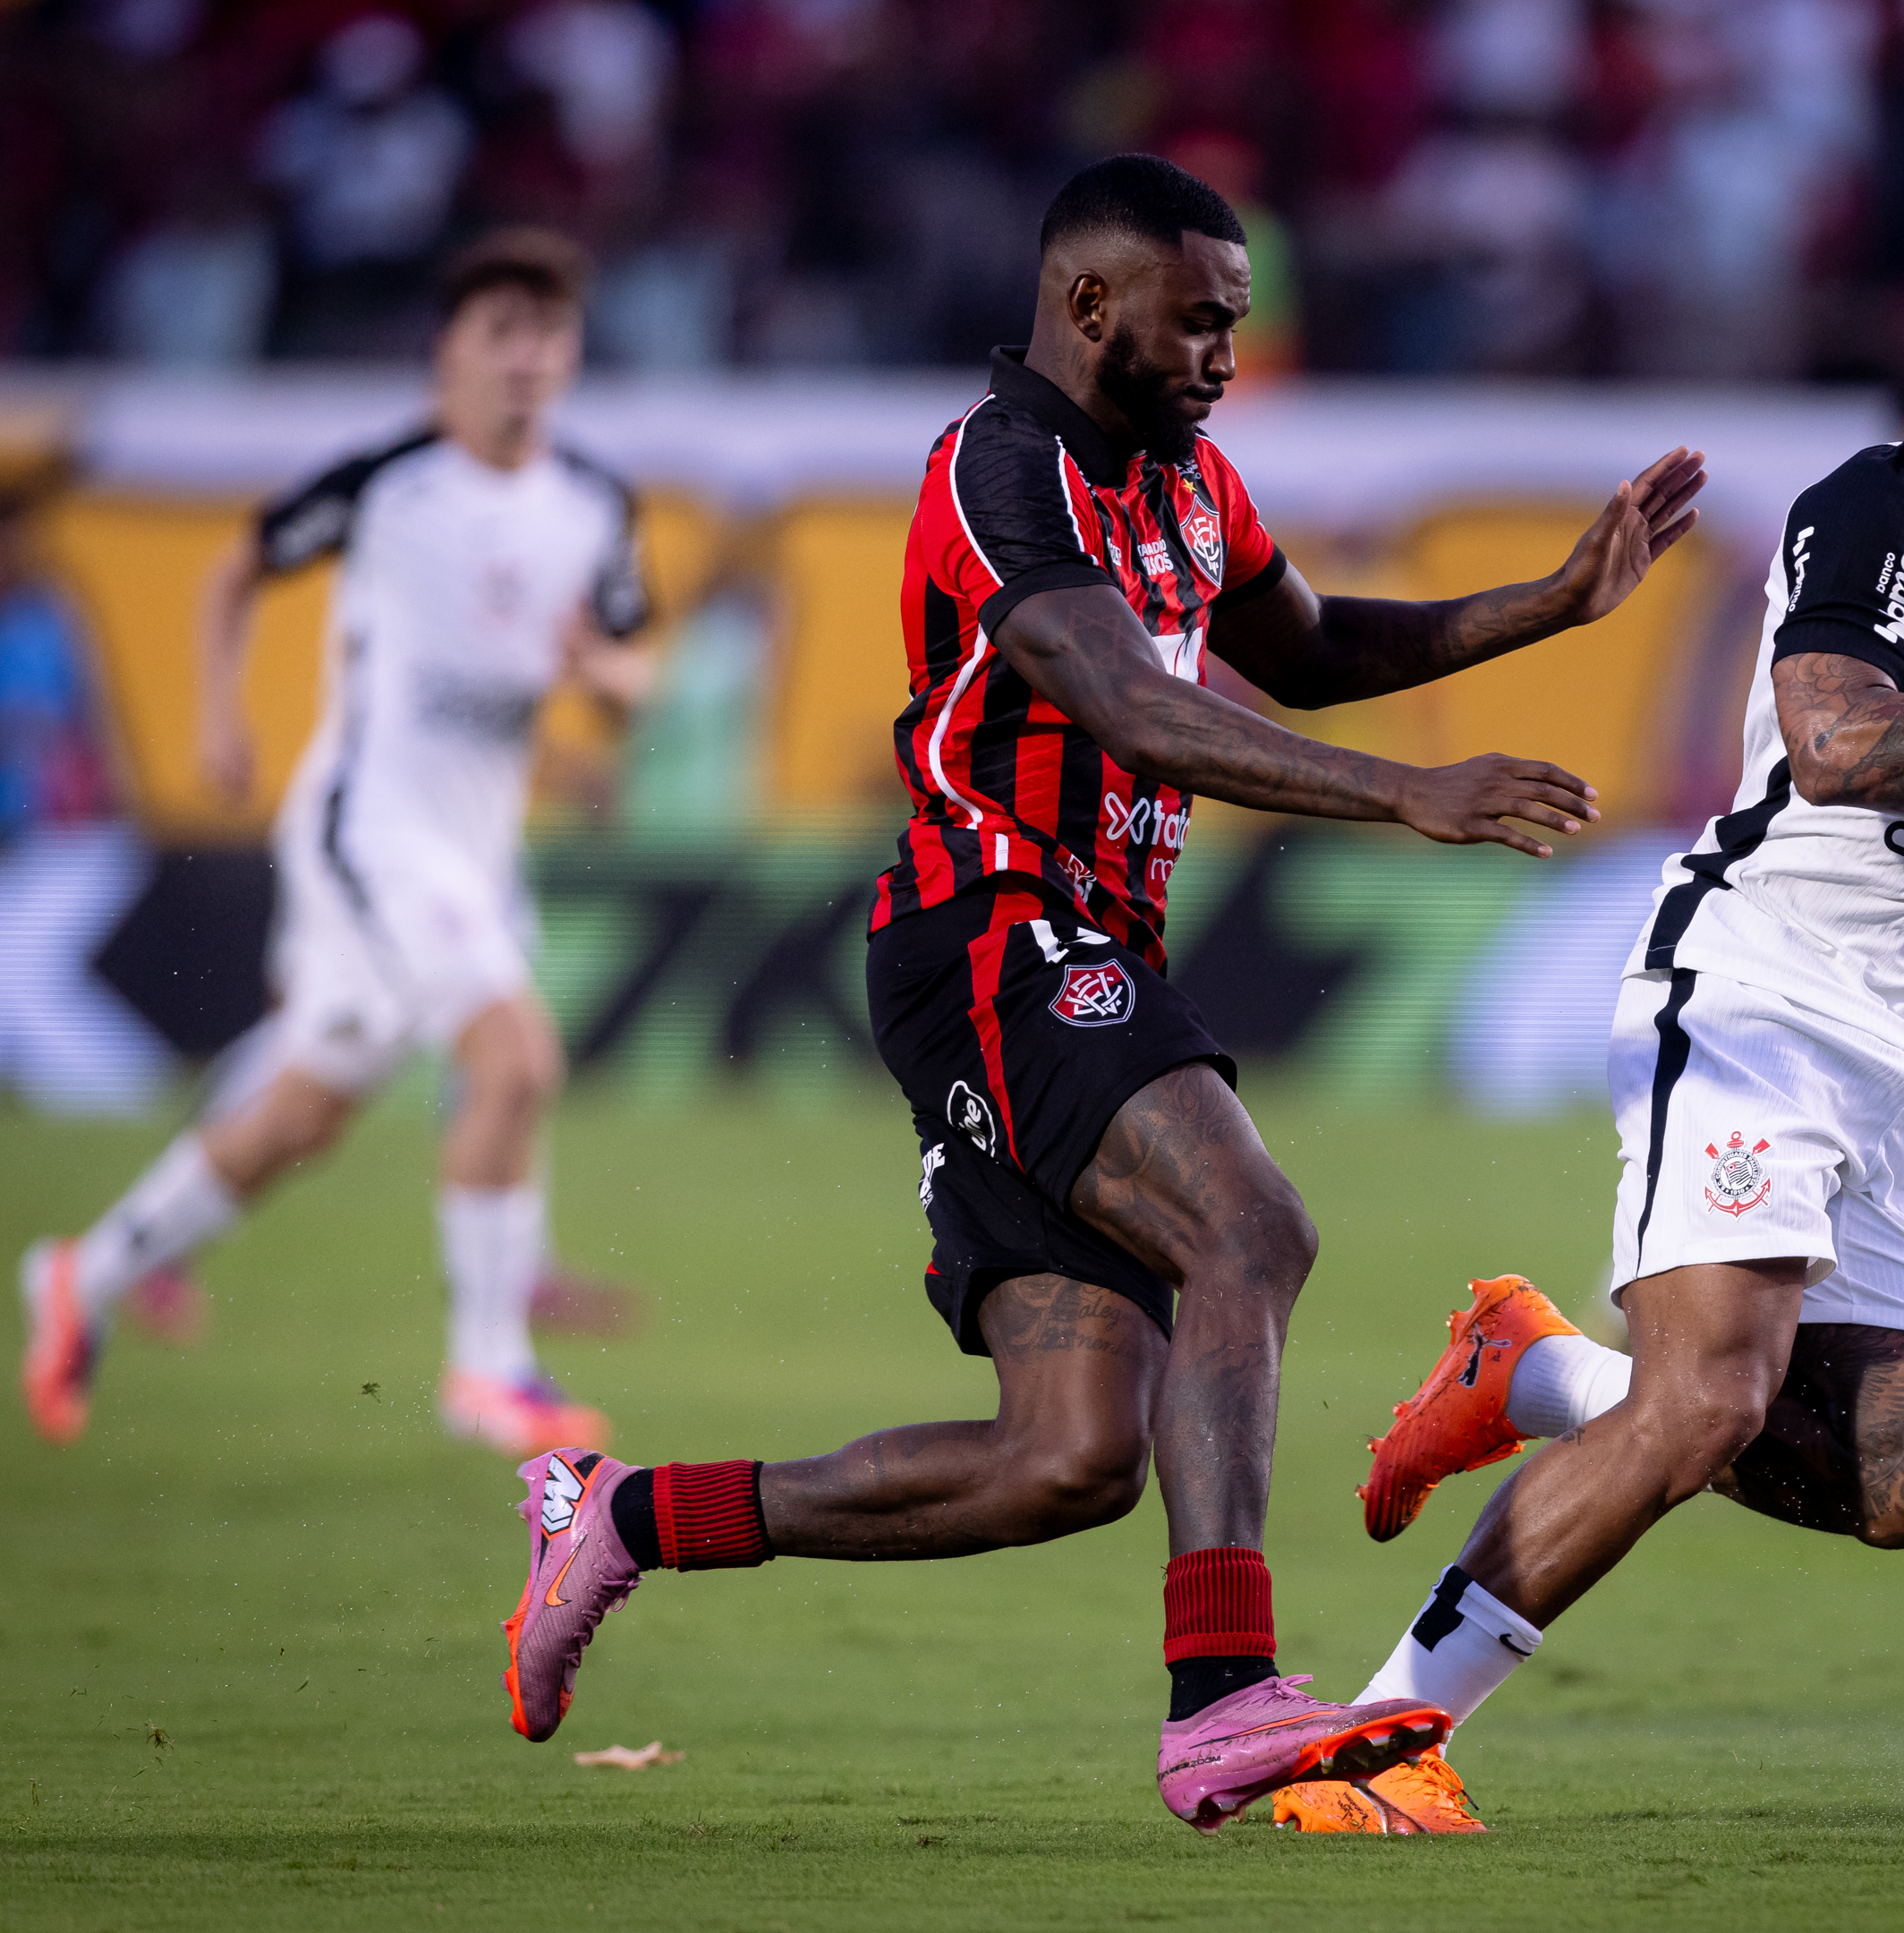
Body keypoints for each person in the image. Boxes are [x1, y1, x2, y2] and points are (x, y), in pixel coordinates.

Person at [496, 153, 1708, 1834]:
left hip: (1085, 951)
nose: (1224, 351)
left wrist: (1553, 605)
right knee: (1252, 1225)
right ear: (1089, 305)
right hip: (989, 931)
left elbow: (1309, 639)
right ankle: (1221, 1698)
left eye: (1237, 323)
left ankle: (618, 1515)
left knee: (1061, 1459)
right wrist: (1402, 793)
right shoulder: (1000, 470)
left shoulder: (1191, 481)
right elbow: (1134, 704)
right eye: (1199, 319)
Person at [1276, 201, 1904, 1834]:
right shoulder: (1880, 511)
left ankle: (1540, 1372)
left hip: (1903, 1051)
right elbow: (1843, 744)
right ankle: (1372, 1739)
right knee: (1708, 1397)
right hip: (1762, 994)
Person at [18, 228, 654, 1456]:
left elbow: (625, 663)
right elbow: (235, 570)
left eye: (548, 334)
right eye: (499, 332)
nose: (526, 359)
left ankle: (82, 1276)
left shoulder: (592, 504)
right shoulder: (385, 482)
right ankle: (489, 1367)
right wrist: (215, 716)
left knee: (300, 1116)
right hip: (371, 830)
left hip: (475, 846)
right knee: (514, 1053)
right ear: (449, 352)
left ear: (571, 353)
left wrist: (598, 694)